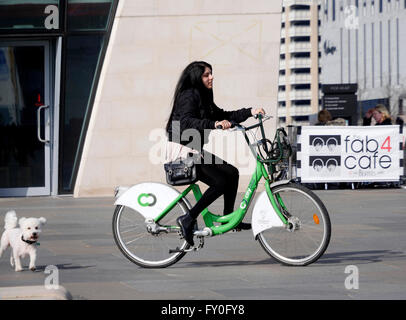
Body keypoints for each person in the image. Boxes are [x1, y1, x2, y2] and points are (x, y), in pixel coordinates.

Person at [165, 61, 265, 246]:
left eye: (211, 74)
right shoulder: (188, 95)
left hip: (195, 149)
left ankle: (229, 219)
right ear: (197, 77)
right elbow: (186, 122)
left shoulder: (204, 96)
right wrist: (214, 125)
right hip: (182, 150)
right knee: (220, 181)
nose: (211, 77)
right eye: (206, 75)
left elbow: (221, 114)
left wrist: (250, 111)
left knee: (231, 172)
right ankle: (188, 218)